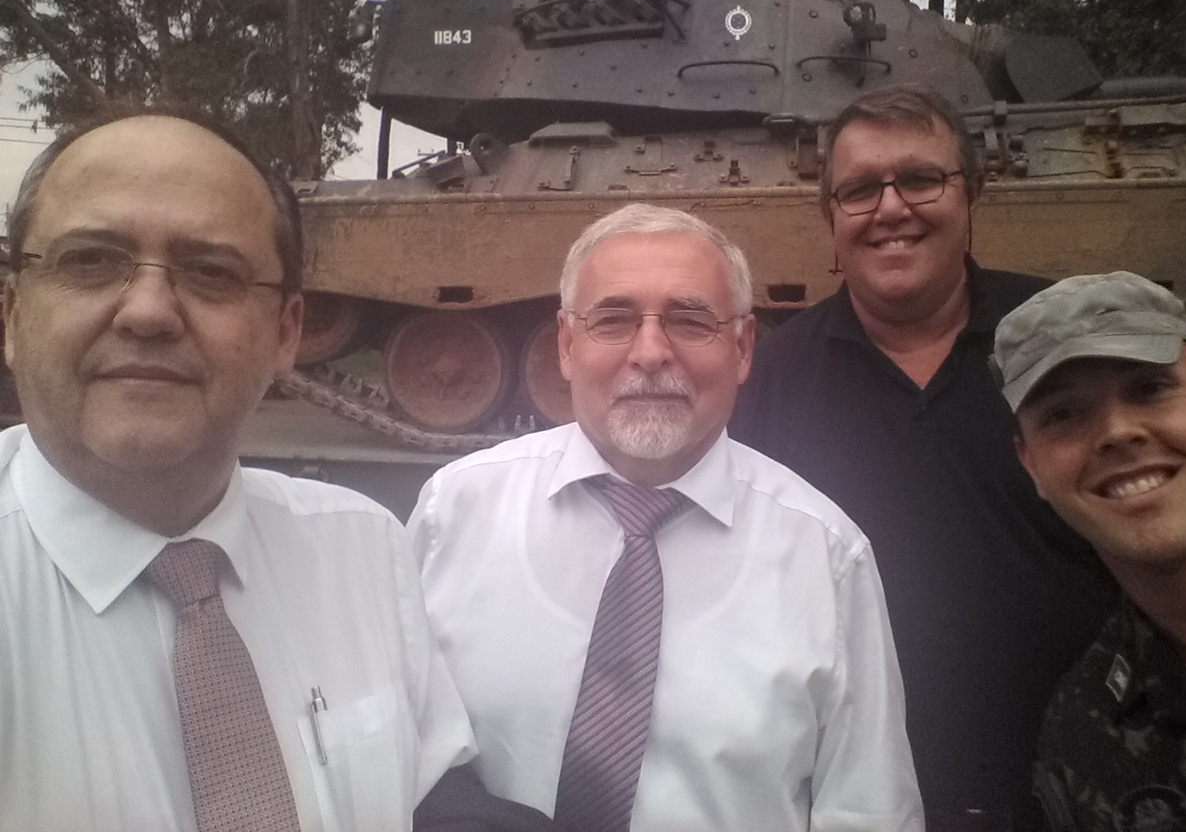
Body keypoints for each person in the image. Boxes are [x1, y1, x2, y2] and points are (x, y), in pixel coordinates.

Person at [0, 106, 481, 832]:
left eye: (212, 272)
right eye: (90, 261)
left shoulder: (363, 548)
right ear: (12, 315)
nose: (149, 312)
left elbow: (430, 794)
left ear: (287, 333)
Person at [407, 203, 924, 832]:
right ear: (566, 345)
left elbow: (867, 809)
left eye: (690, 320)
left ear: (743, 347)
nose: (650, 352)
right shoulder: (453, 512)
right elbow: (397, 755)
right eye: (613, 320)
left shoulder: (827, 557)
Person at [729, 84, 1115, 830]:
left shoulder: (1065, 345)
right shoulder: (771, 381)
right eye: (860, 190)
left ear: (973, 193)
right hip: (850, 794)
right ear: (831, 216)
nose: (891, 208)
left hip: (1074, 781)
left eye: (920, 179)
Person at [990, 271, 1186, 832]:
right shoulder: (1088, 743)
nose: (1117, 432)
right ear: (1033, 468)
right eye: (1063, 414)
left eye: (1150, 388)